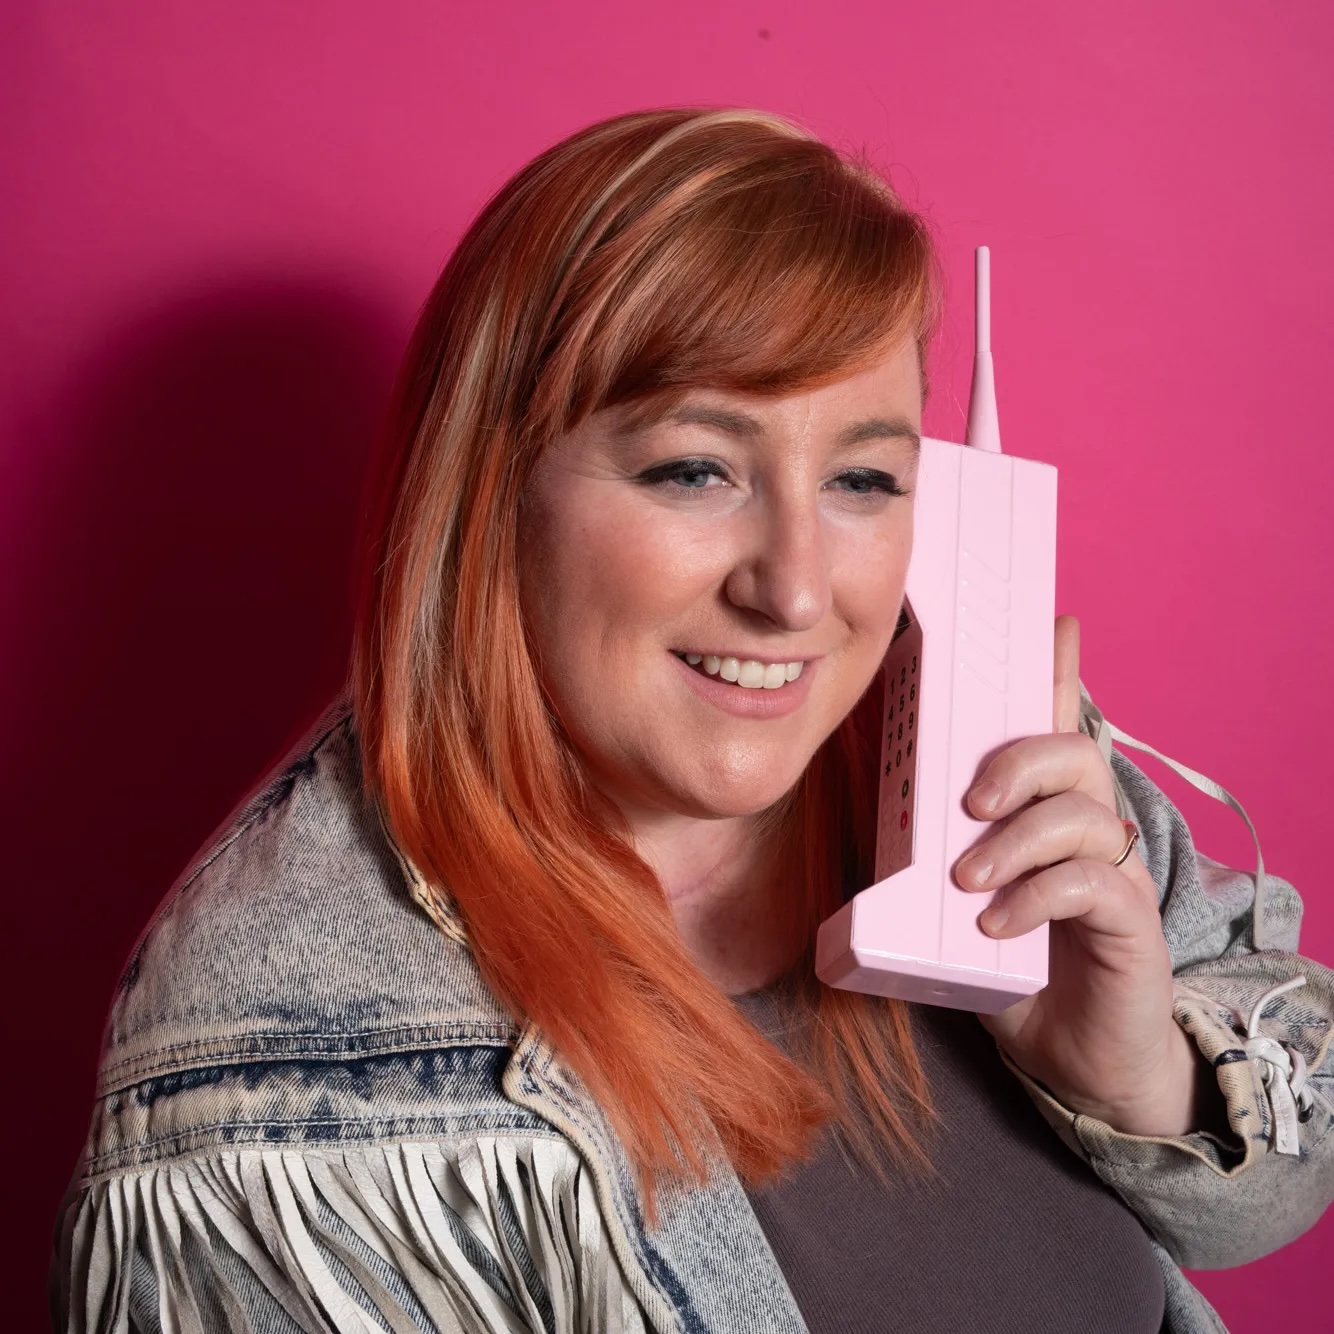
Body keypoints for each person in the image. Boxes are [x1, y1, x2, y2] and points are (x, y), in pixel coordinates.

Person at [52, 107, 1333, 1334]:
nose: (795, 592)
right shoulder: (275, 1072)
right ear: (489, 489)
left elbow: (1286, 1163)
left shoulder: (968, 741)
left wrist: (1140, 1079)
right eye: (694, 469)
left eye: (862, 478)